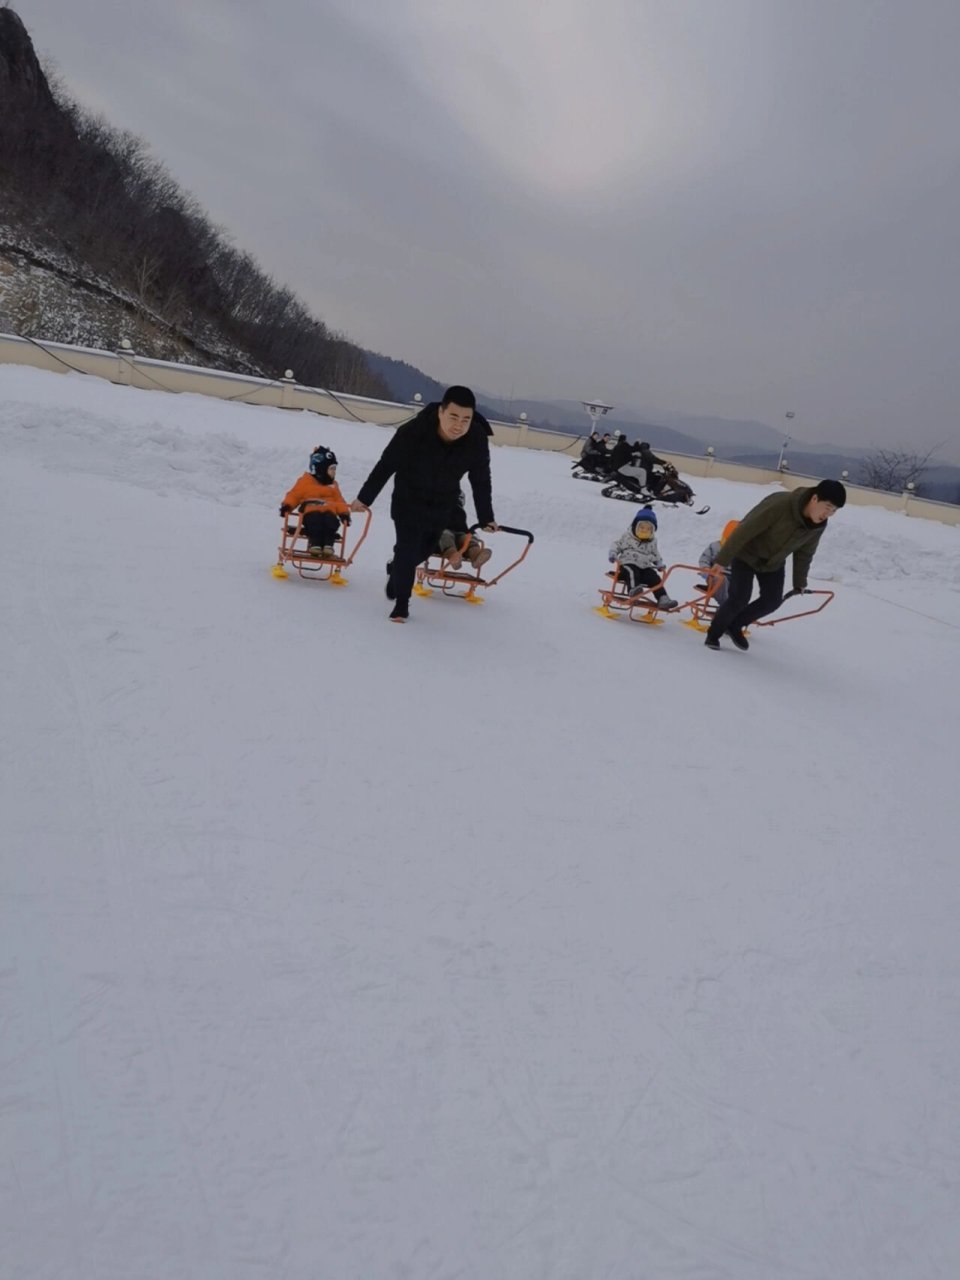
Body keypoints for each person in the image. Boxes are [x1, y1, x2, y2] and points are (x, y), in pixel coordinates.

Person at [351, 385, 497, 622]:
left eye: (465, 419)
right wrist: (364, 498)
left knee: (426, 548)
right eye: (453, 417)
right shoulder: (414, 431)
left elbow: (480, 479)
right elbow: (386, 465)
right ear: (440, 412)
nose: (459, 425)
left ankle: (396, 568)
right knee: (408, 547)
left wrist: (486, 517)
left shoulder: (476, 439)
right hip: (408, 499)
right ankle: (401, 605)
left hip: (442, 504)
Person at [704, 479, 846, 651]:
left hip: (773, 562)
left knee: (772, 601)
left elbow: (805, 553)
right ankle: (714, 633)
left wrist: (799, 582)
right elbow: (744, 529)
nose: (828, 514)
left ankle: (735, 625)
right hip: (746, 555)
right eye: (828, 507)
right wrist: (722, 559)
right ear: (814, 499)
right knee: (739, 598)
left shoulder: (817, 526)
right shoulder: (781, 504)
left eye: (834, 510)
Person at [280, 445, 352, 556]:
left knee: (332, 522)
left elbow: (339, 501)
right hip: (311, 513)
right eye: (331, 469)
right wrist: (287, 505)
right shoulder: (305, 482)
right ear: (321, 469)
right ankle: (315, 544)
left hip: (329, 513)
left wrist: (344, 513)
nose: (334, 472)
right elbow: (294, 494)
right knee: (315, 521)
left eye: (335, 469)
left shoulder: (333, 486)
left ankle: (328, 546)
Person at [608, 507, 678, 610]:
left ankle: (663, 598)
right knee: (632, 572)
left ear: (653, 530)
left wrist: (659, 563)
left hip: (645, 567)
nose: (644, 530)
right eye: (641, 527)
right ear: (635, 527)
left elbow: (655, 554)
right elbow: (617, 544)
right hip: (627, 565)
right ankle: (633, 591)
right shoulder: (628, 537)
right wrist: (613, 553)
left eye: (648, 529)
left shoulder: (652, 542)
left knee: (655, 578)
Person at [436, 490, 492, 571]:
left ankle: (476, 555)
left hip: (460, 534)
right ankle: (453, 556)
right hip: (442, 535)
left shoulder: (460, 512)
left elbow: (463, 526)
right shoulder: (438, 509)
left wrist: (471, 533)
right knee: (445, 535)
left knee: (467, 538)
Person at [697, 520, 740, 606]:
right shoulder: (715, 546)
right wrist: (705, 569)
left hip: (733, 577)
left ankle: (737, 607)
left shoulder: (740, 551)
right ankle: (726, 605)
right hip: (715, 576)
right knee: (722, 580)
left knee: (742, 583)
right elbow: (704, 558)